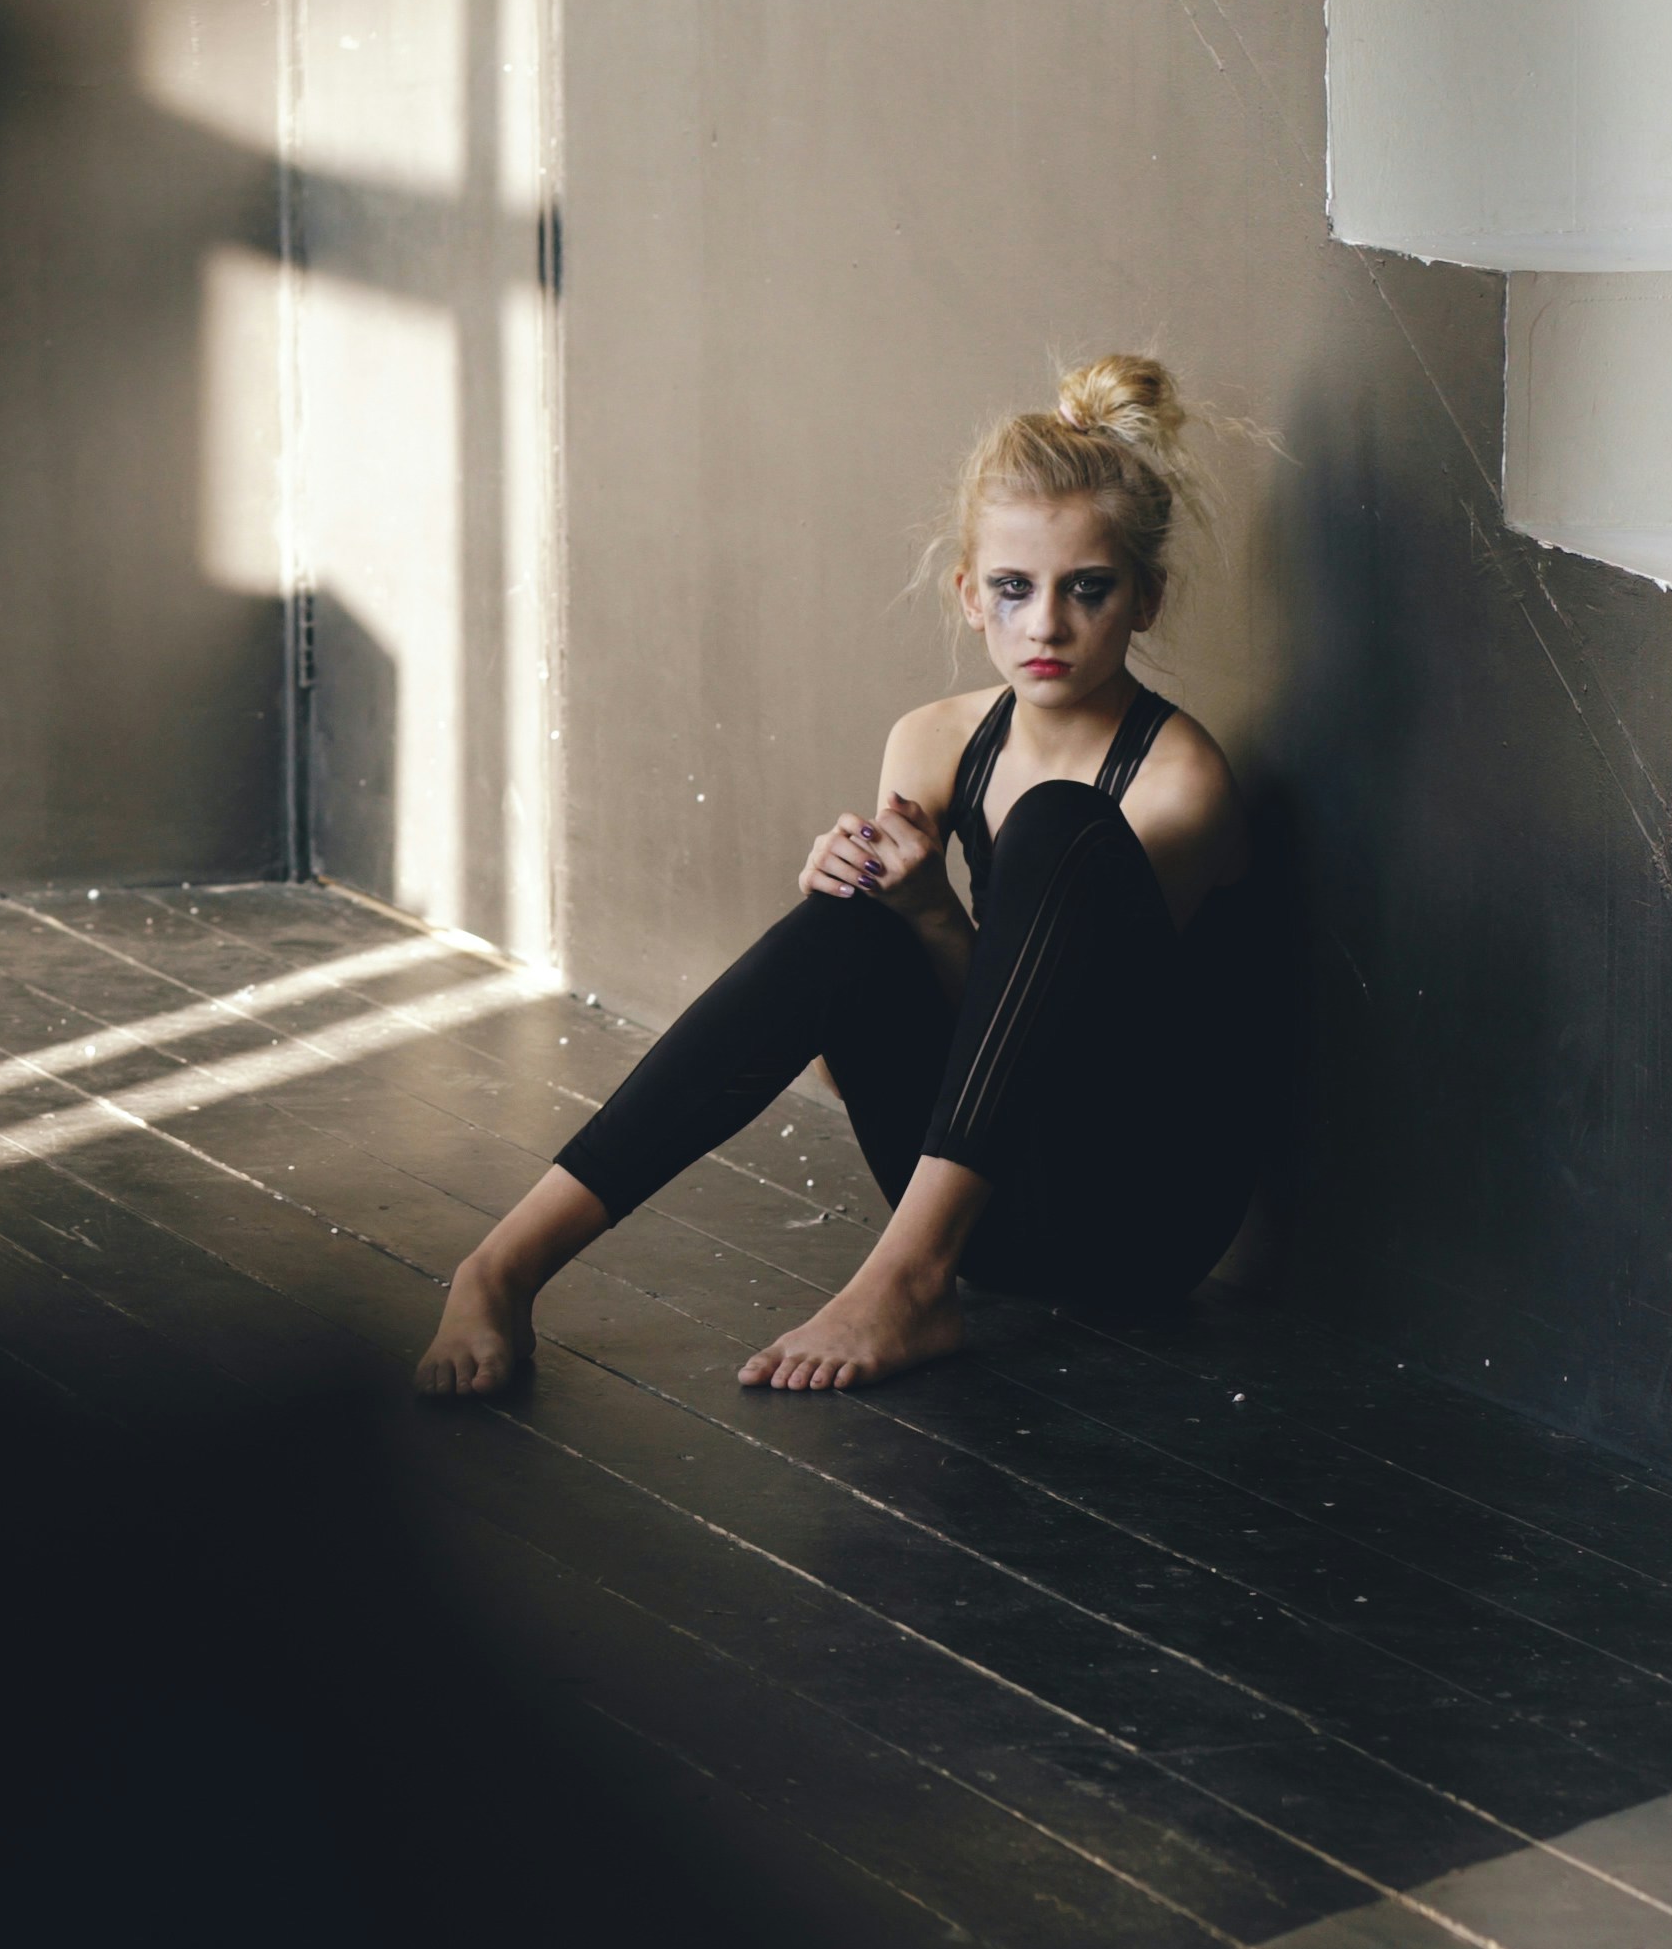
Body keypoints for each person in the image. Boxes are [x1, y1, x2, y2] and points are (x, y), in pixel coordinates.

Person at [417, 354, 1271, 1399]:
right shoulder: (933, 740)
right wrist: (897, 916)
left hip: (1135, 1219)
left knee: (1055, 827)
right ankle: (503, 1263)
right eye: (1013, 588)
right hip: (986, 1220)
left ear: (1145, 599)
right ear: (968, 595)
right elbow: (862, 1049)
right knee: (847, 926)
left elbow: (1067, 1059)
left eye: (1086, 590)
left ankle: (907, 1280)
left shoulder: (1183, 781)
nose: (1044, 625)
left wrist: (938, 921)